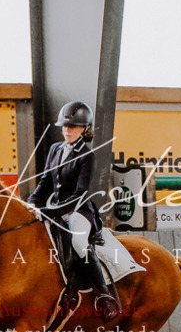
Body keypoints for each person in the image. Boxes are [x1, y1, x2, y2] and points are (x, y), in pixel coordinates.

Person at [27, 100, 119, 320]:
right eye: (65, 127)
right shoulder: (54, 150)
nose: (67, 131)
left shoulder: (88, 156)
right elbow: (45, 183)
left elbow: (79, 194)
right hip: (55, 208)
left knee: (78, 243)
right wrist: (31, 203)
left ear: (84, 129)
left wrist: (53, 211)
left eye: (73, 127)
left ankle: (104, 295)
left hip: (78, 211)